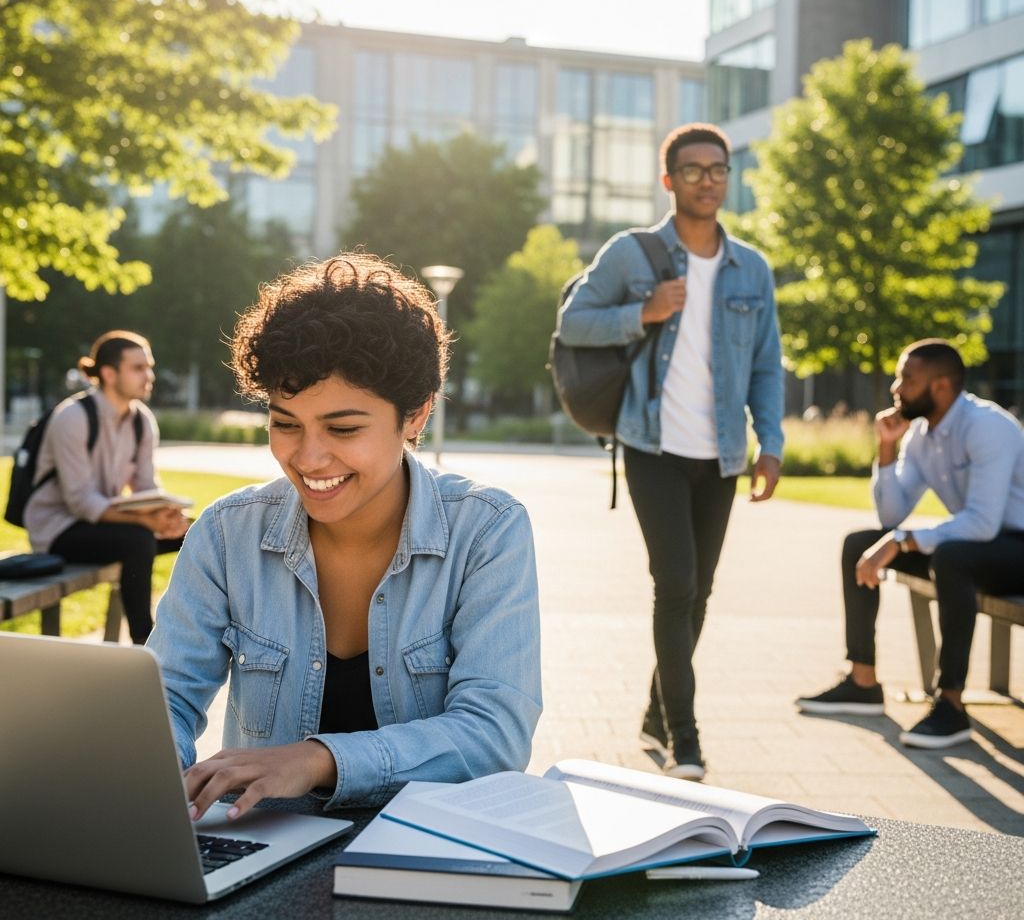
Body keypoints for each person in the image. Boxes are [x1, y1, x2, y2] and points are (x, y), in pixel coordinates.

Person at [147, 254, 542, 817]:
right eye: (285, 424)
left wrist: (316, 760)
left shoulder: (486, 530)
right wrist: (152, 773)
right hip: (263, 844)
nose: (307, 457)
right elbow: (166, 696)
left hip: (429, 851)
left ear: (416, 415)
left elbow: (494, 735)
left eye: (344, 428)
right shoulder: (226, 533)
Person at [556, 123, 784, 780]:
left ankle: (657, 711)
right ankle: (685, 738)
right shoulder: (632, 254)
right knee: (675, 582)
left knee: (701, 592)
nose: (707, 179)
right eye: (693, 169)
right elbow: (572, 323)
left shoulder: (753, 268)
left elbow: (768, 365)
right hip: (651, 444)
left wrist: (771, 442)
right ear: (669, 180)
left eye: (718, 169)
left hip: (721, 454)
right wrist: (644, 312)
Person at [797, 340, 1024, 748]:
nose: (896, 388)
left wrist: (901, 541)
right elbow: (891, 517)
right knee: (861, 542)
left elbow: (984, 523)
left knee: (951, 557)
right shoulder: (921, 434)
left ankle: (951, 706)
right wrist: (886, 450)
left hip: (1015, 548)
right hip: (977, 549)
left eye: (908, 379)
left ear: (941, 386)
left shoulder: (988, 427)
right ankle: (862, 681)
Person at [24, 331, 190, 644]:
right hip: (59, 530)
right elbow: (82, 503)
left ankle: (191, 631)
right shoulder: (72, 418)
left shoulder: (142, 421)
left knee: (197, 533)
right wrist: (144, 520)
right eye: (138, 368)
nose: (149, 375)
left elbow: (145, 487)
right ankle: (147, 645)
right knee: (138, 540)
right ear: (109, 374)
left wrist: (165, 514)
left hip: (107, 527)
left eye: (149, 366)